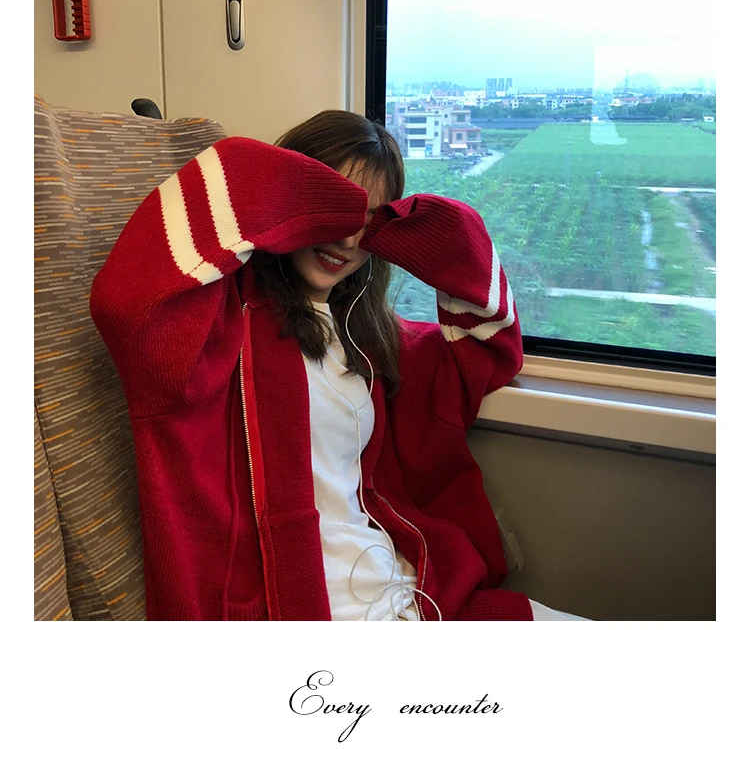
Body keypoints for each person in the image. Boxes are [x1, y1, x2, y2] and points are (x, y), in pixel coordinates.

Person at [90, 109, 586, 621]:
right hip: (299, 606)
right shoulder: (216, 331)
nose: (347, 240)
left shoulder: (369, 337)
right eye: (330, 209)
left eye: (367, 220)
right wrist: (280, 188)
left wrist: (430, 228)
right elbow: (127, 306)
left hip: (404, 587)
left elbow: (492, 348)